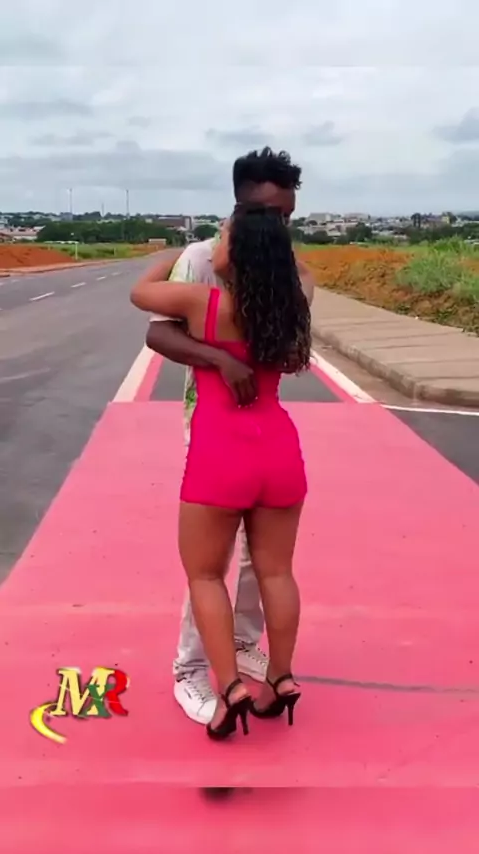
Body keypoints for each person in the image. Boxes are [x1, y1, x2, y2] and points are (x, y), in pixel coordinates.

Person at [140, 148, 315, 726]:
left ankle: (230, 678)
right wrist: (223, 357)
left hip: (223, 446)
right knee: (274, 570)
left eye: (287, 215)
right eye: (273, 215)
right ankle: (270, 674)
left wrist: (163, 255)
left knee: (207, 571)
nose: (281, 225)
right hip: (276, 442)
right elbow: (160, 335)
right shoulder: (292, 283)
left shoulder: (210, 289)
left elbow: (143, 299)